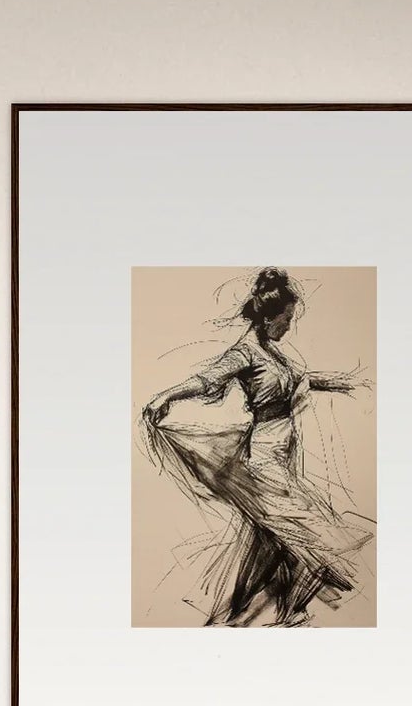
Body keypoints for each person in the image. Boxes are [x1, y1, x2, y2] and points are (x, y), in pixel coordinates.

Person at [140, 267, 372, 628]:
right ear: (267, 318)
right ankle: (271, 612)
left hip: (283, 450)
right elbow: (208, 379)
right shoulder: (245, 352)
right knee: (301, 530)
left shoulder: (275, 354)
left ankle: (251, 616)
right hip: (263, 456)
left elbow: (299, 379)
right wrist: (166, 395)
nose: (289, 326)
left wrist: (340, 383)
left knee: (269, 543)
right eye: (286, 319)